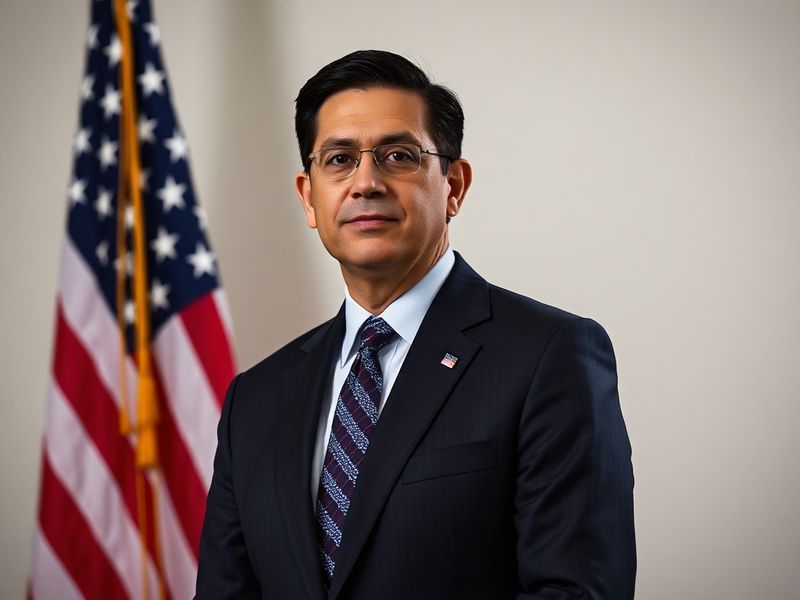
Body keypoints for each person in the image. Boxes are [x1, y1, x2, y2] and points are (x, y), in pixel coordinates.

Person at [196, 50, 636, 600]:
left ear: (453, 185)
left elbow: (577, 591)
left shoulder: (551, 356)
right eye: (338, 160)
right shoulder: (255, 399)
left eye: (398, 155)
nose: (365, 183)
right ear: (309, 198)